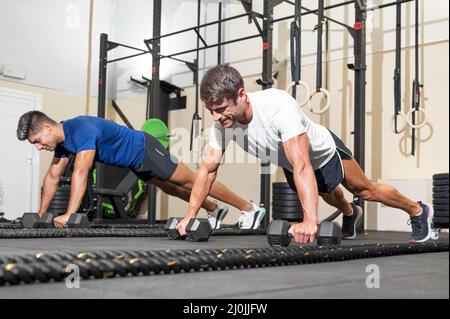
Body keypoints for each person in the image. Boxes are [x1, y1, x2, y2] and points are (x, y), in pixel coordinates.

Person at [176, 64, 434, 244]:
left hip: (323, 152)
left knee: (364, 190)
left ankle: (417, 210)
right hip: (294, 164)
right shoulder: (222, 125)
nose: (217, 117)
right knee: (331, 195)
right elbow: (208, 171)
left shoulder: (276, 105)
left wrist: (310, 220)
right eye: (211, 111)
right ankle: (350, 213)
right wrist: (190, 217)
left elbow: (302, 164)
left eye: (220, 108)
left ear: (241, 95)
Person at [16, 111, 265, 229]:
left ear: (48, 127)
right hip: (134, 163)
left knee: (192, 180)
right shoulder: (61, 143)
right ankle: (213, 209)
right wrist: (41, 214)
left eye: (37, 141)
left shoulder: (80, 129)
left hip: (144, 149)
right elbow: (52, 177)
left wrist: (70, 215)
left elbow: (81, 172)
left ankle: (250, 209)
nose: (39, 147)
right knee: (172, 189)